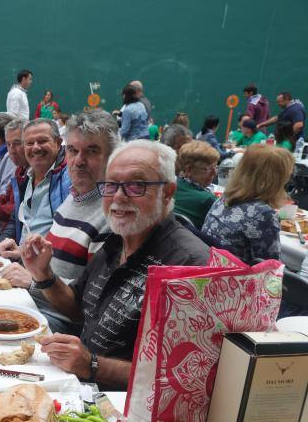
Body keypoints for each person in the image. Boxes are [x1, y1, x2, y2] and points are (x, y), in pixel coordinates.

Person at [22, 140, 209, 390]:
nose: (119, 196)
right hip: (79, 385)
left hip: (121, 409)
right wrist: (43, 274)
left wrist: (93, 365)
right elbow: (79, 308)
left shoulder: (191, 265)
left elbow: (181, 376)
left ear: (167, 192)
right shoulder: (117, 241)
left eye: (136, 185)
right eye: (111, 185)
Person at [4, 110, 119, 334]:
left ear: (112, 157)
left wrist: (34, 281)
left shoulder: (111, 216)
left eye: (92, 151)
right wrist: (25, 254)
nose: (79, 161)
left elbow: (88, 308)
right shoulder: (73, 198)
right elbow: (54, 262)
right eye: (73, 150)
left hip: (58, 325)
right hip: (37, 302)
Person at [202, 144, 293, 264]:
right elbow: (271, 268)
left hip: (211, 268)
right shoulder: (263, 214)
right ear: (275, 179)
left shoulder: (225, 198)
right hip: (234, 278)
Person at [14, 119, 71, 243]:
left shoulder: (70, 179)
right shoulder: (26, 176)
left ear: (58, 143)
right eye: (29, 143)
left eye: (42, 141)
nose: (35, 148)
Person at [173, 141, 220, 229]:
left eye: (216, 167)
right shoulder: (208, 200)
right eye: (209, 168)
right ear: (189, 170)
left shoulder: (170, 187)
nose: (214, 173)